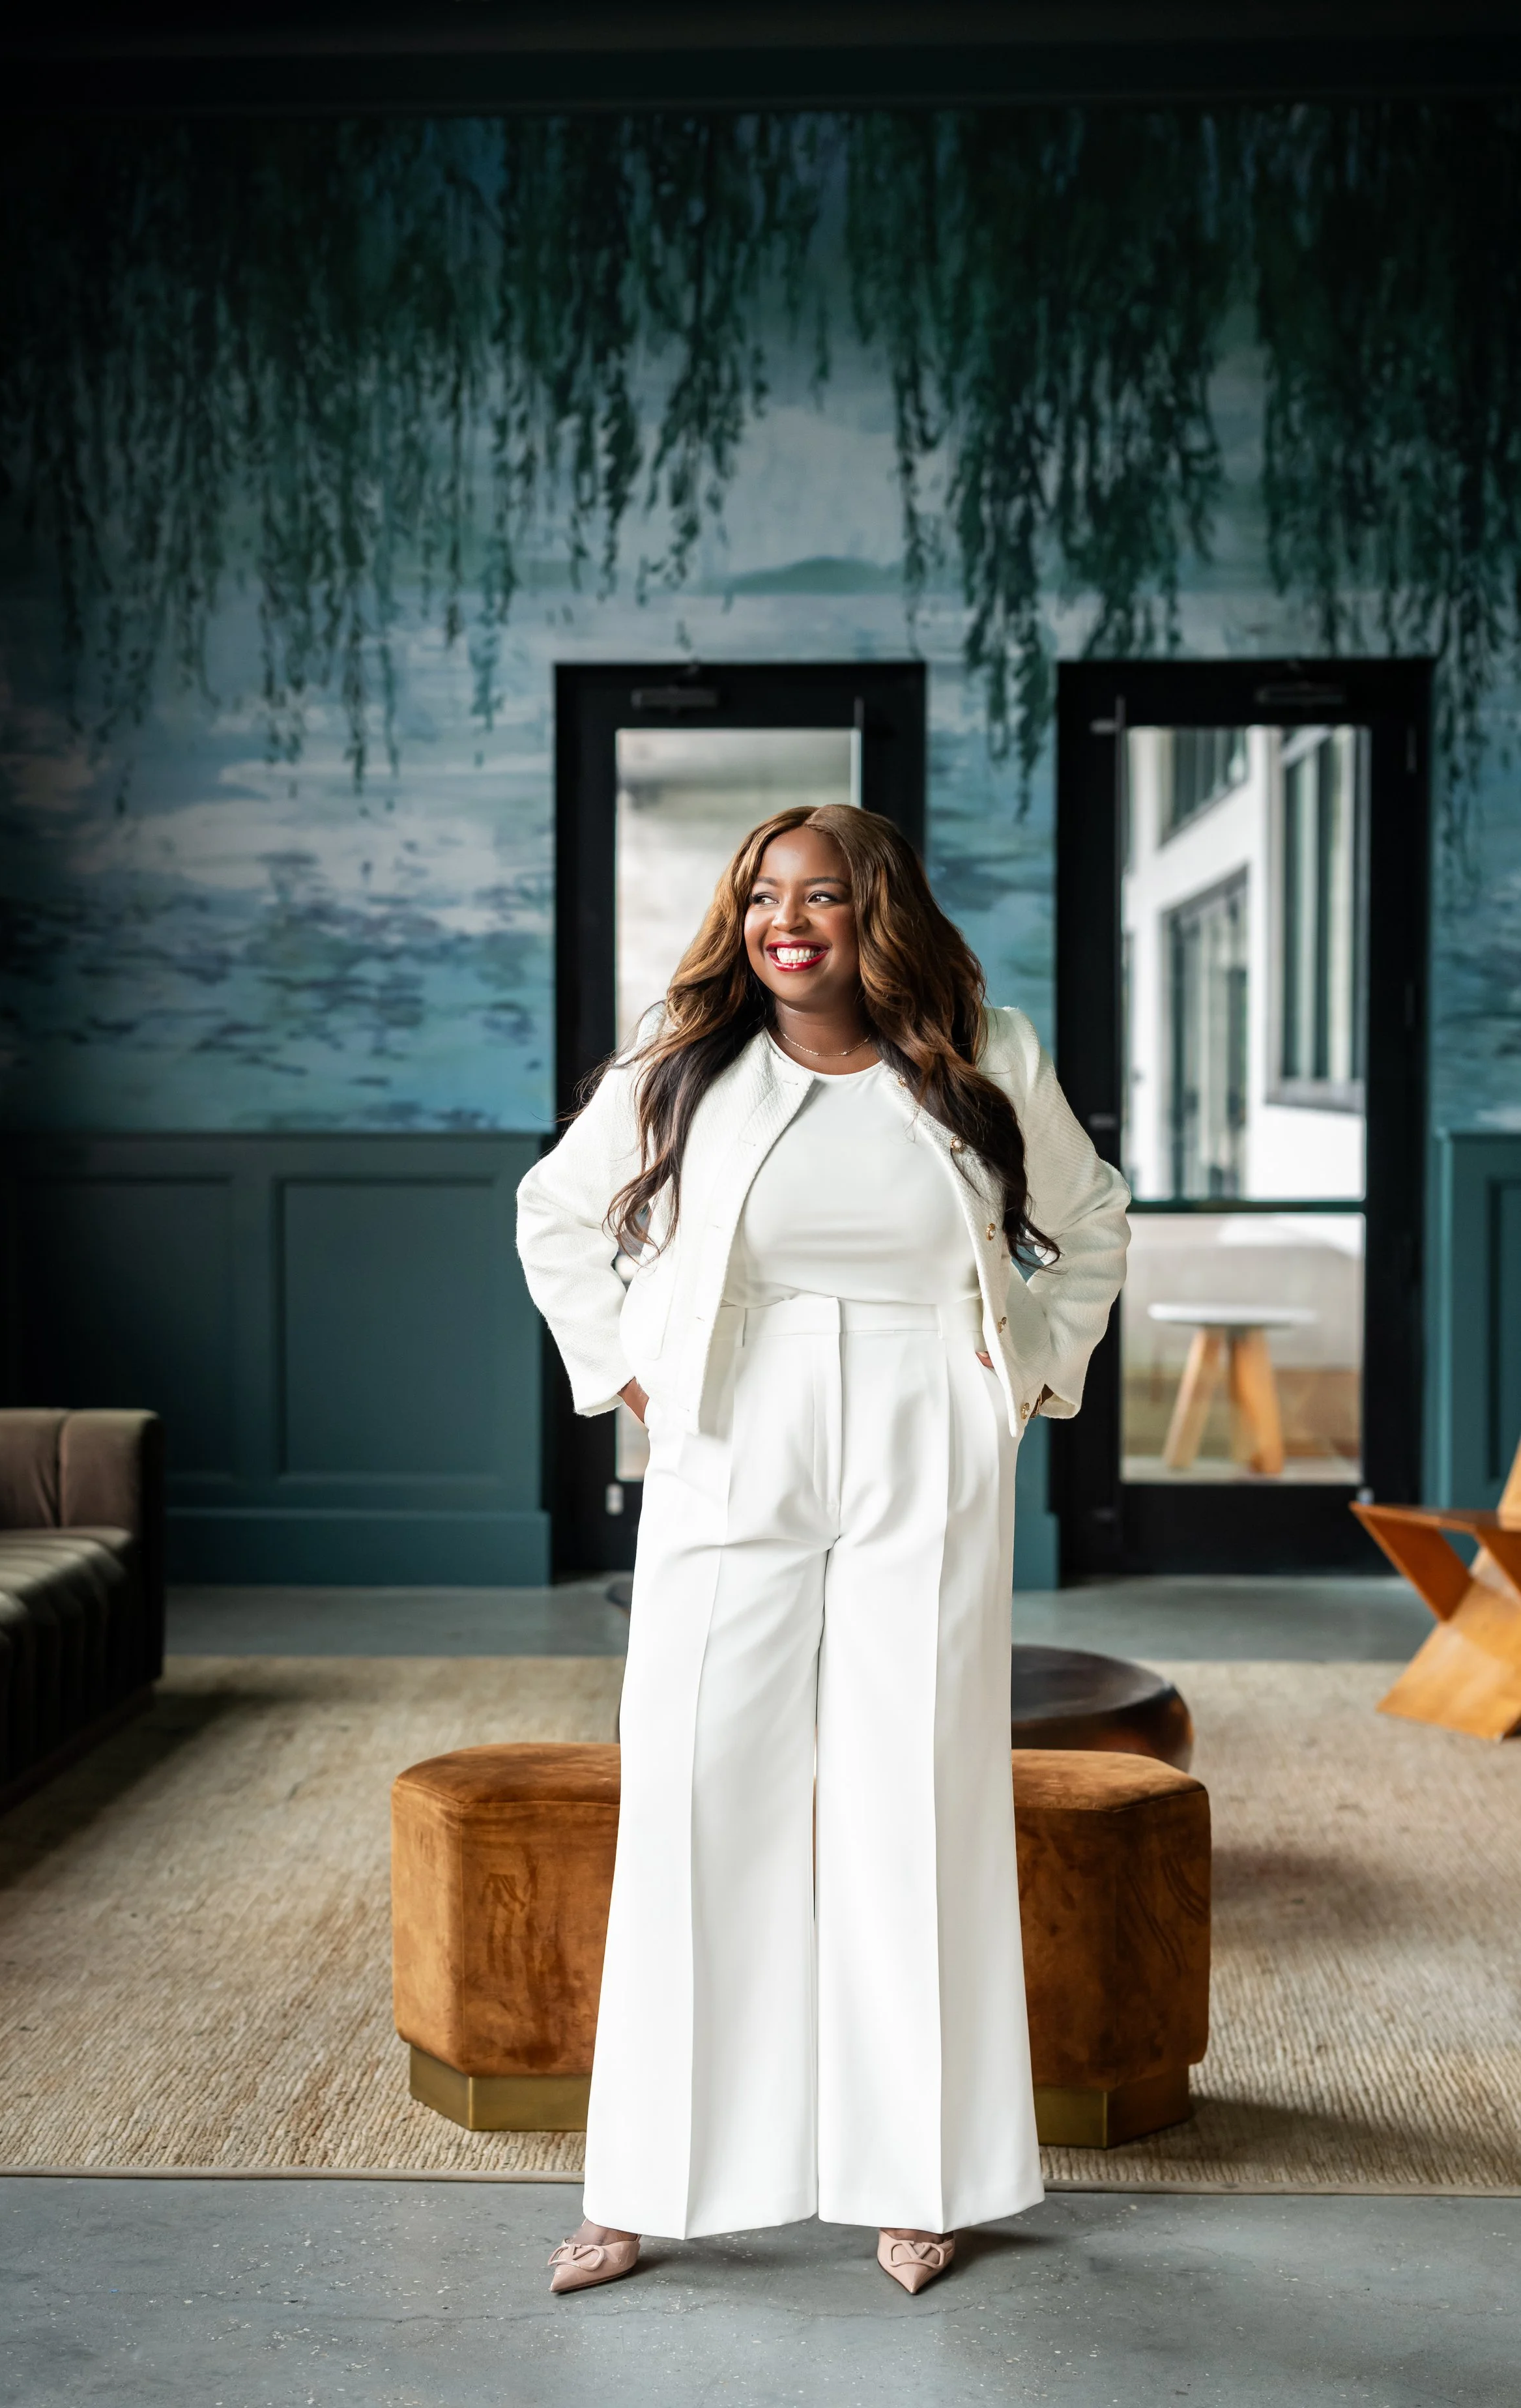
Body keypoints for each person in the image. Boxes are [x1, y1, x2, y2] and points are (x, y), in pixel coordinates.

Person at [515, 803, 1128, 2296]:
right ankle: (645, 2181)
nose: (788, 921)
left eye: (824, 895)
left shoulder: (987, 1044)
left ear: (878, 912)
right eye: (763, 897)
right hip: (737, 1418)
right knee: (693, 1778)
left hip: (931, 1413)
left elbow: (1091, 1216)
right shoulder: (682, 1052)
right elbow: (552, 1212)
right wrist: (632, 1374)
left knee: (908, 1789)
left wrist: (1025, 1369)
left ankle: (916, 2176)